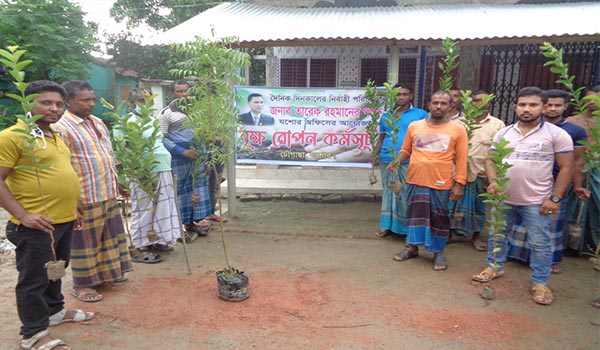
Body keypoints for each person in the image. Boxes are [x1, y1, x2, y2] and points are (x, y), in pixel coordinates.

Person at [0, 81, 93, 350]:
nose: (54, 108)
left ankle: (54, 311)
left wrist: (74, 204)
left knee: (56, 271)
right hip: (35, 225)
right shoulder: (12, 137)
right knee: (33, 279)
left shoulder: (56, 135)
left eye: (59, 104)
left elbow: (63, 173)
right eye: (45, 102)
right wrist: (23, 215)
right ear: (27, 103)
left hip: (62, 220)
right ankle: (34, 334)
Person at [472, 87, 574, 305]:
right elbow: (491, 160)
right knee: (497, 235)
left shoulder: (556, 135)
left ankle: (540, 282)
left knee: (539, 243)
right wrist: (494, 180)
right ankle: (494, 267)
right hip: (504, 198)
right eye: (522, 105)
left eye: (533, 105)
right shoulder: (505, 133)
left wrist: (555, 198)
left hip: (536, 201)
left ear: (543, 107)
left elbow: (566, 168)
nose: (527, 109)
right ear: (515, 106)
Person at [54, 80, 133, 303]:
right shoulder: (62, 127)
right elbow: (61, 164)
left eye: (93, 100)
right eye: (85, 100)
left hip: (106, 190)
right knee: (84, 242)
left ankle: (107, 274)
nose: (90, 104)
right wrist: (72, 196)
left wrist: (119, 182)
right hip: (84, 194)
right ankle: (82, 284)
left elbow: (108, 154)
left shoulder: (97, 122)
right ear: (68, 101)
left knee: (109, 237)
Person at [507, 89, 587, 274]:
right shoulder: (511, 131)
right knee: (521, 224)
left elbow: (576, 162)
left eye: (557, 105)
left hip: (554, 183)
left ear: (565, 107)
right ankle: (518, 255)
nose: (552, 108)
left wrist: (574, 186)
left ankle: (549, 264)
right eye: (549, 104)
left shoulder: (571, 132)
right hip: (524, 184)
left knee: (548, 228)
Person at [388, 91, 468, 271]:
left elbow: (462, 158)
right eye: (435, 103)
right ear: (429, 105)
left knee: (439, 218)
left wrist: (459, 184)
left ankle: (438, 253)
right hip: (416, 179)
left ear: (450, 106)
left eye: (443, 103)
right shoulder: (415, 126)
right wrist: (397, 160)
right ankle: (412, 247)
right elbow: (406, 149)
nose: (439, 106)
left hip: (441, 182)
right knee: (415, 216)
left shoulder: (458, 129)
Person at [113, 88, 183, 263]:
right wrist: (135, 173)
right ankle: (139, 244)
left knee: (162, 206)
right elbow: (123, 150)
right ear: (132, 103)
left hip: (162, 167)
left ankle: (157, 239)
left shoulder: (152, 120)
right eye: (141, 100)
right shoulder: (127, 122)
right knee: (143, 206)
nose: (146, 104)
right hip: (142, 170)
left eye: (149, 100)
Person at [448, 90, 505, 250]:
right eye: (474, 100)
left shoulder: (497, 125)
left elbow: (499, 151)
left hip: (482, 173)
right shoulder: (459, 123)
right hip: (457, 172)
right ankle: (450, 233)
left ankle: (477, 236)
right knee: (452, 204)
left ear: (489, 102)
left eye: (483, 100)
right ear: (469, 103)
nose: (478, 103)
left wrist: (494, 175)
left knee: (480, 206)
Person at [158, 80, 212, 241]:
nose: (183, 95)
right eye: (179, 91)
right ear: (172, 94)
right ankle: (178, 228)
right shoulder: (166, 113)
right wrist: (182, 151)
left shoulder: (197, 111)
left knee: (196, 190)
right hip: (178, 160)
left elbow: (205, 135)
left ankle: (191, 223)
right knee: (179, 193)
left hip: (197, 158)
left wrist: (208, 157)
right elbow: (162, 139)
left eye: (185, 91)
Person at [373, 83, 427, 237]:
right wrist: (375, 154)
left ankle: (404, 228)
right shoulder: (386, 115)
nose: (401, 97)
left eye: (405, 94)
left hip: (408, 160)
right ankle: (386, 225)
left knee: (404, 193)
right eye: (398, 94)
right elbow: (382, 137)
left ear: (411, 96)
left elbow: (425, 139)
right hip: (386, 158)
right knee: (389, 191)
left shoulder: (420, 115)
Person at [565, 85, 599, 256]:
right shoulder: (573, 121)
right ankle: (570, 243)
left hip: (597, 170)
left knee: (595, 207)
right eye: (588, 99)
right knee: (572, 206)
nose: (592, 103)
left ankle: (592, 244)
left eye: (596, 99)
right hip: (576, 168)